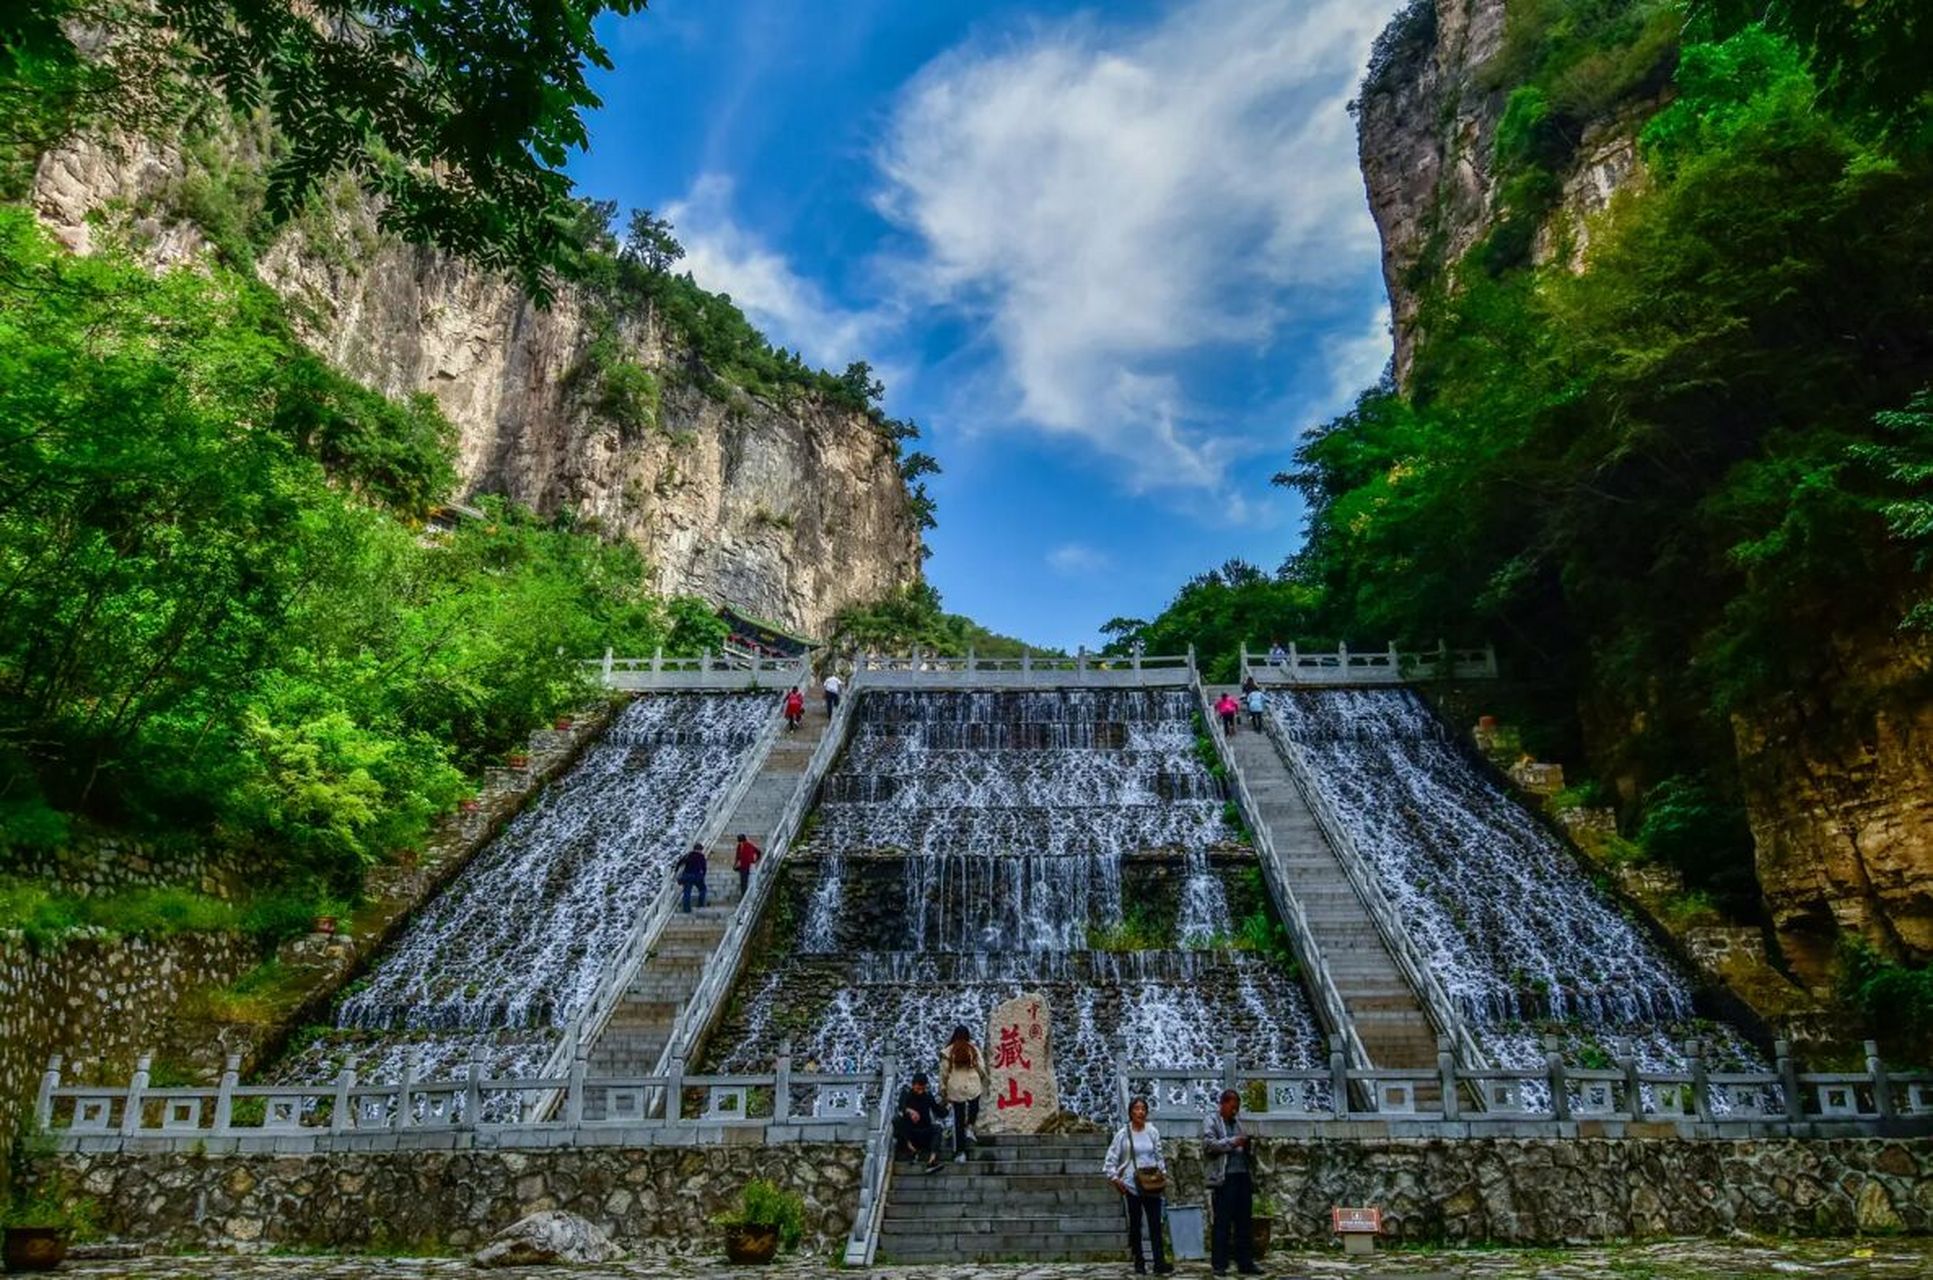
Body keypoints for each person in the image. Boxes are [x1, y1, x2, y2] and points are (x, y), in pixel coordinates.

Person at [1104, 1097, 1172, 1275]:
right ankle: (1139, 1261)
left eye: (1143, 1109)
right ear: (1130, 1112)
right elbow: (1111, 1158)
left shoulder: (1152, 1131)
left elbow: (1158, 1155)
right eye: (1137, 1108)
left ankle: (1159, 1262)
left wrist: (1163, 1174)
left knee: (1155, 1224)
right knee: (1135, 1225)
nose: (1140, 1112)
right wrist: (1114, 1178)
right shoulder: (1123, 1134)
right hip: (1132, 1184)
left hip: (1152, 1184)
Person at [1203, 1089, 1260, 1275]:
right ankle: (1219, 1264)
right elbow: (1209, 1145)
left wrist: (1248, 1144)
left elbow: (1246, 1147)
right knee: (1222, 1222)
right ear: (1223, 1104)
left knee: (1244, 1222)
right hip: (1224, 1178)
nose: (1234, 1111)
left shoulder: (1239, 1123)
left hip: (1242, 1175)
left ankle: (1245, 1262)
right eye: (1232, 1107)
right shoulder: (1211, 1120)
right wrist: (1234, 1142)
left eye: (1237, 1107)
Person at [938, 1025, 990, 1163]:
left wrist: (943, 1090)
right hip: (973, 1085)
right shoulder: (973, 1049)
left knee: (958, 1120)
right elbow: (982, 1068)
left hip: (955, 1087)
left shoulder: (947, 1051)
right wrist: (981, 1078)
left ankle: (960, 1153)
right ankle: (970, 1127)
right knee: (974, 1107)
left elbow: (943, 1073)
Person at [893, 1072, 945, 1172]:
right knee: (897, 1120)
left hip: (924, 1131)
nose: (920, 1092)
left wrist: (947, 1105)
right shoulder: (906, 1093)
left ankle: (932, 1161)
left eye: (922, 1089)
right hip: (910, 1134)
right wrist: (910, 1111)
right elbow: (901, 1106)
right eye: (918, 1089)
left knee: (937, 1128)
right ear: (913, 1085)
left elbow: (939, 1112)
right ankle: (911, 1149)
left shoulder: (928, 1096)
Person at [676, 843, 709, 913]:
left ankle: (686, 909)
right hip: (697, 876)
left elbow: (680, 862)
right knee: (703, 889)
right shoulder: (701, 856)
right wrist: (703, 876)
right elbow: (704, 868)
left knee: (687, 892)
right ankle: (700, 903)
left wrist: (676, 870)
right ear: (700, 849)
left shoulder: (688, 855)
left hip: (687, 876)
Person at [732, 832, 762, 897]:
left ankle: (747, 896)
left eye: (741, 841)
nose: (740, 843)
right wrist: (735, 864)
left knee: (747, 881)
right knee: (743, 882)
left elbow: (758, 852)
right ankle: (744, 896)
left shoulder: (749, 845)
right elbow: (737, 856)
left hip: (749, 865)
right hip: (742, 866)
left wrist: (755, 860)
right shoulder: (739, 846)